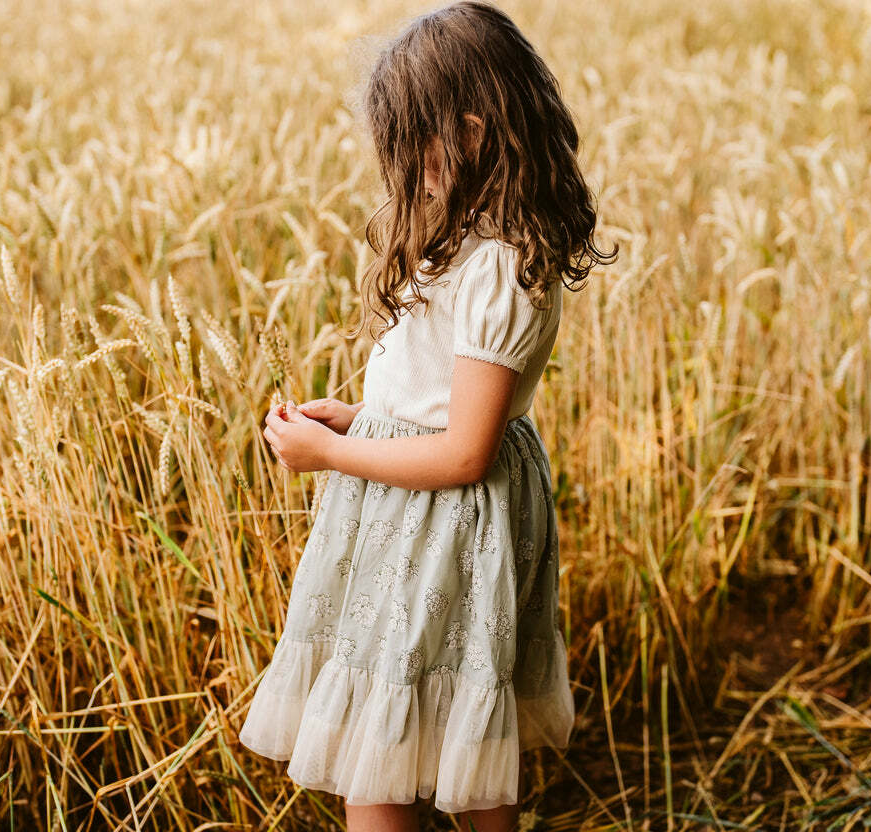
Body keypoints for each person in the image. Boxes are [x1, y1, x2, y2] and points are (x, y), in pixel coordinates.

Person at [238, 2, 616, 830]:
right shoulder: (476, 240)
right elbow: (437, 404)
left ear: (473, 133)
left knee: (387, 743)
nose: (400, 170)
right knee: (421, 729)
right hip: (413, 511)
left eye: (411, 148)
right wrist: (360, 418)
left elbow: (463, 455)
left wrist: (331, 458)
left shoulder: (500, 267)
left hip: (443, 524)